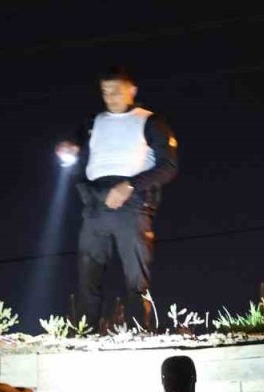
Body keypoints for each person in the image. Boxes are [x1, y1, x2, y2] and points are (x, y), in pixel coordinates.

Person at [55, 67, 178, 331]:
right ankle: (83, 333)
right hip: (95, 204)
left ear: (131, 90)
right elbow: (76, 151)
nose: (110, 97)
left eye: (116, 91)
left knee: (135, 277)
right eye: (105, 92)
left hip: (132, 204)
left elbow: (168, 166)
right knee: (88, 276)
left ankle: (140, 332)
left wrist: (130, 186)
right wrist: (69, 149)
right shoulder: (93, 122)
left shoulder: (149, 121)